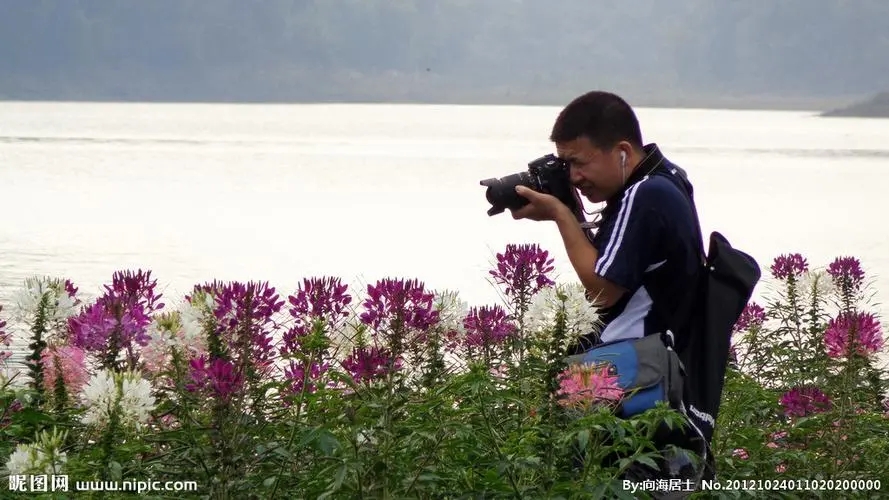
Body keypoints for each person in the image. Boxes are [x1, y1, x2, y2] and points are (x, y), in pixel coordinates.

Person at [509, 90, 707, 496]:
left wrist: (561, 215)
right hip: (663, 373)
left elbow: (603, 290)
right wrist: (574, 211)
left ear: (620, 151)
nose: (574, 177)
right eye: (565, 165)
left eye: (578, 163)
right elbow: (623, 262)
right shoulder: (665, 178)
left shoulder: (644, 194)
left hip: (637, 380)